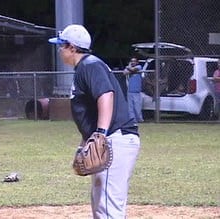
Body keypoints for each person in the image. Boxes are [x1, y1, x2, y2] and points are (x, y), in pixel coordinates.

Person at [48, 24, 141, 219]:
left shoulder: (90, 65)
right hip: (113, 138)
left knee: (108, 209)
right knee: (102, 205)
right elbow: (90, 111)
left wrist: (101, 133)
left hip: (115, 138)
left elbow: (106, 95)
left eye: (62, 45)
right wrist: (86, 143)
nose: (59, 50)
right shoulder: (85, 67)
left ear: (72, 48)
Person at [123, 58, 144, 122]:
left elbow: (133, 70)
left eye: (134, 61)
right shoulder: (129, 68)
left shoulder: (139, 67)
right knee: (130, 107)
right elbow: (124, 73)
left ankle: (139, 119)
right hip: (130, 91)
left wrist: (128, 67)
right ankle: (132, 119)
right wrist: (129, 67)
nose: (133, 62)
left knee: (137, 107)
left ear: (137, 62)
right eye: (131, 61)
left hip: (137, 91)